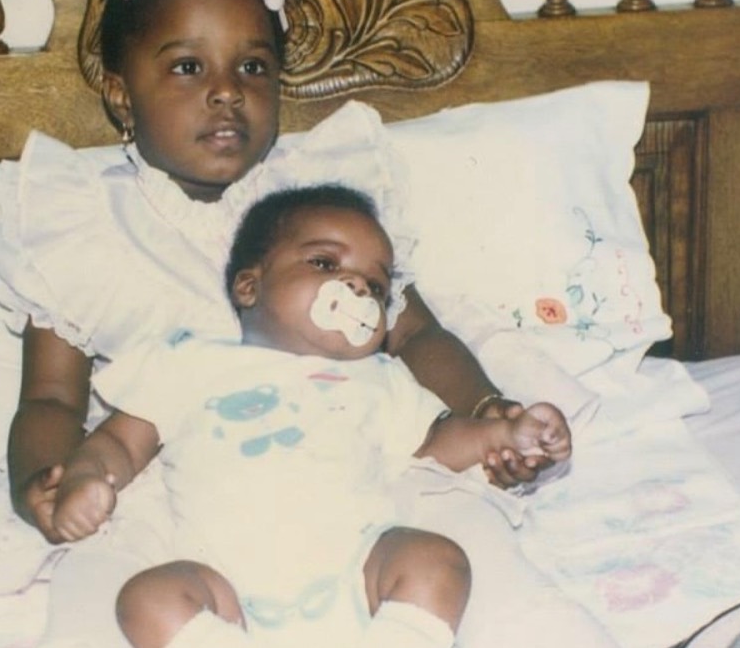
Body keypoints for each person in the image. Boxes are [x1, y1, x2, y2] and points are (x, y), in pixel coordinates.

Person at [0, 0, 740, 645]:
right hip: (169, 485)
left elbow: (417, 332)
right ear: (121, 93)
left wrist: (486, 411)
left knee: (475, 557)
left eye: (253, 67)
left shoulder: (324, 207)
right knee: (102, 593)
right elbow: (50, 399)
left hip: (360, 460)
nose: (226, 93)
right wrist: (47, 481)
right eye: (189, 67)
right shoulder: (79, 224)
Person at [49, 184, 572, 648]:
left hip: (358, 570)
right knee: (146, 599)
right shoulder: (189, 361)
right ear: (249, 286)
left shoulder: (379, 378)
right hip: (224, 587)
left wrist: (506, 433)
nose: (357, 287)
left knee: (437, 561)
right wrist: (85, 478)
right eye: (324, 263)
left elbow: (437, 442)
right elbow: (120, 442)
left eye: (376, 285)